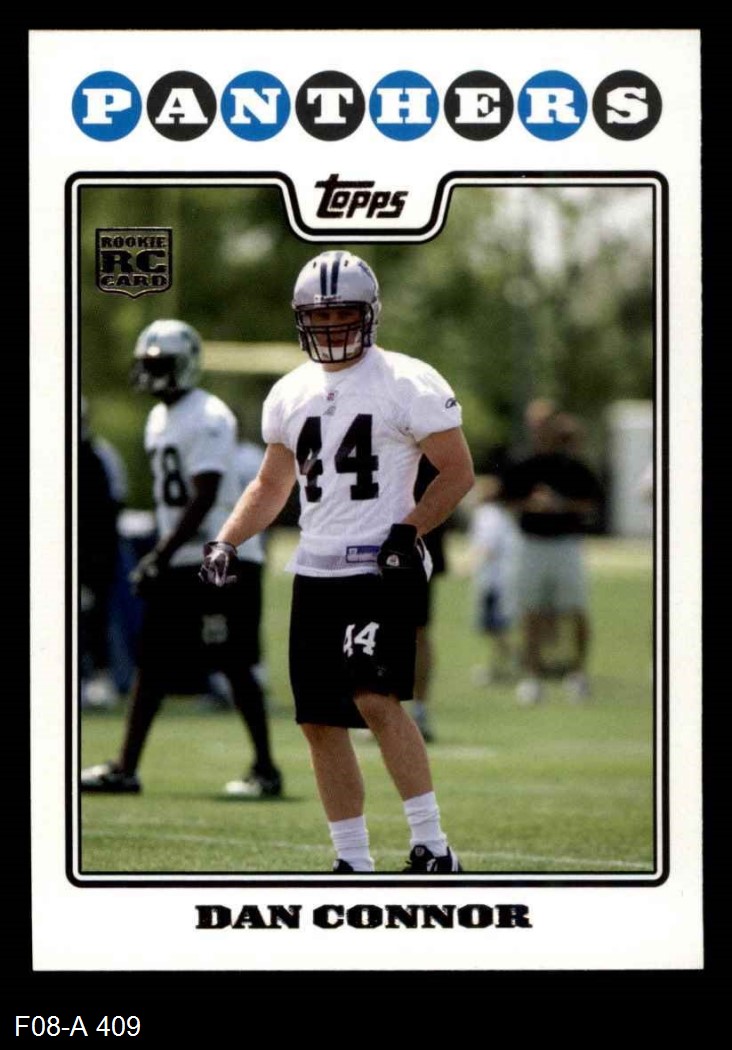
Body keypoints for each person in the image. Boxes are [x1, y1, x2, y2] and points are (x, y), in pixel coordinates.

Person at [200, 251, 475, 873]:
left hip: (381, 568)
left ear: (370, 313)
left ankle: (433, 847)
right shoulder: (290, 391)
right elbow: (271, 485)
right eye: (319, 316)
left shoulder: (407, 380)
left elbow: (458, 472)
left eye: (343, 313)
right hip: (315, 570)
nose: (331, 326)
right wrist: (227, 539)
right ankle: (353, 859)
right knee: (319, 722)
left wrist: (409, 530)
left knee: (374, 698)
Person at [81, 319, 283, 798]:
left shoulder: (208, 414)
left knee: (233, 660)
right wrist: (166, 555)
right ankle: (125, 766)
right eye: (148, 364)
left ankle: (266, 769)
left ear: (186, 364)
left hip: (222, 554)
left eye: (162, 364)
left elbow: (204, 495)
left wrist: (159, 553)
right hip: (182, 554)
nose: (153, 373)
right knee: (152, 662)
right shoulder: (158, 418)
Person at [502, 410, 601, 705]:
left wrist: (560, 505)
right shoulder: (524, 464)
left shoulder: (572, 466)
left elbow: (591, 503)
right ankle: (532, 677)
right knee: (531, 611)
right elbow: (507, 500)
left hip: (565, 544)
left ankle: (578, 674)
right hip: (531, 544)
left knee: (575, 608)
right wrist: (530, 504)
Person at [410, 455, 448, 743]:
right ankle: (377, 708)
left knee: (418, 631)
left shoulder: (430, 444)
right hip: (372, 544)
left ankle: (419, 710)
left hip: (417, 546)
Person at [469, 474, 520, 685]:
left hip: (493, 581)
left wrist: (468, 566)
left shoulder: (487, 515)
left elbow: (487, 548)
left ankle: (509, 664)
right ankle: (503, 665)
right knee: (496, 630)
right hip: (503, 579)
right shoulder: (500, 515)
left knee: (496, 629)